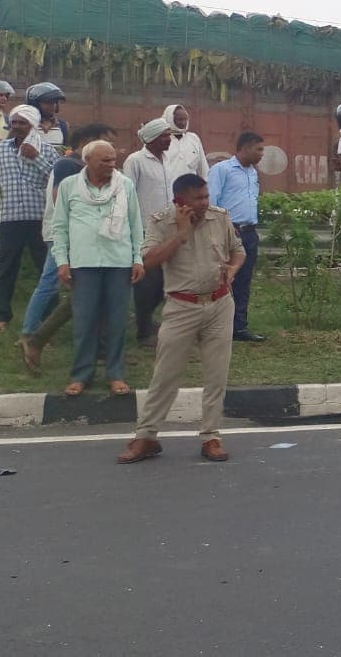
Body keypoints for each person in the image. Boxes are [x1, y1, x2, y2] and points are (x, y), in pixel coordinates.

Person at [118, 174, 245, 465]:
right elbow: (148, 261)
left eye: (205, 196)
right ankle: (146, 436)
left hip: (219, 303)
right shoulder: (161, 221)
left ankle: (211, 436)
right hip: (181, 306)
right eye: (196, 198)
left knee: (216, 374)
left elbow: (239, 252)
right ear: (179, 201)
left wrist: (233, 269)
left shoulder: (219, 217)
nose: (203, 203)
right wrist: (180, 233)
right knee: (166, 375)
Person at [18, 123, 116, 372]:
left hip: (81, 236)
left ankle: (99, 349)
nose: (110, 149)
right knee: (67, 286)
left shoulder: (81, 168)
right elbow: (62, 202)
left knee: (87, 289)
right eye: (105, 142)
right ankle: (34, 336)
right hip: (70, 236)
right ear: (88, 142)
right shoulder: (68, 165)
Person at [52, 140, 144, 397]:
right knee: (84, 322)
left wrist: (138, 258)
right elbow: (59, 227)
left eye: (114, 160)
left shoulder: (124, 184)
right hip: (84, 262)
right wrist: (62, 260)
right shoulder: (70, 186)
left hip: (119, 261)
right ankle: (81, 375)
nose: (111, 165)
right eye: (105, 160)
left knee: (117, 322)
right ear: (88, 160)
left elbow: (135, 225)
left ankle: (115, 374)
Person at [0, 104, 60, 334]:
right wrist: (0, 182)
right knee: (7, 265)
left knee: (45, 268)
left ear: (32, 125)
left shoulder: (46, 149)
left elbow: (57, 177)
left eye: (22, 123)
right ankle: (1, 314)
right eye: (13, 122)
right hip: (10, 216)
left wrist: (36, 158)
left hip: (39, 218)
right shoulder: (1, 149)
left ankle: (49, 316)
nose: (16, 127)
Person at [207, 132, 266, 342]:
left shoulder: (252, 173)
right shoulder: (221, 170)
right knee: (220, 279)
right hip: (228, 232)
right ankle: (214, 326)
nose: (261, 154)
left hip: (249, 232)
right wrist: (222, 228)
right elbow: (211, 202)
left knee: (243, 281)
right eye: (258, 149)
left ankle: (238, 327)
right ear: (245, 147)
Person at [123, 118, 177, 347]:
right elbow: (127, 194)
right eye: (165, 136)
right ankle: (144, 331)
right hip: (145, 229)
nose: (169, 139)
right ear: (153, 138)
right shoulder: (135, 161)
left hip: (168, 229)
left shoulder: (168, 161)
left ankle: (146, 318)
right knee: (148, 282)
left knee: (166, 281)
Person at [161, 104, 209, 180]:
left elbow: (203, 169)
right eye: (179, 120)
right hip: (168, 189)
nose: (183, 123)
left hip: (190, 189)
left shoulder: (193, 139)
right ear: (170, 119)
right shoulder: (160, 139)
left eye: (185, 119)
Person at [25, 82, 68, 148]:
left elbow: (66, 151)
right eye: (48, 102)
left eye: (54, 102)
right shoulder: (24, 124)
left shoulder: (62, 126)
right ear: (35, 104)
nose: (52, 106)